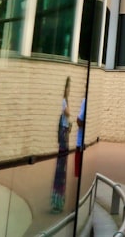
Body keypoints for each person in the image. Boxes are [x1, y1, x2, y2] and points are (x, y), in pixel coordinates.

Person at [50, 77, 71, 213]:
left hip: (65, 136)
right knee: (60, 169)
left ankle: (59, 201)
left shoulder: (65, 102)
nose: (69, 90)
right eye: (68, 87)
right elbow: (67, 113)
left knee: (62, 169)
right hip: (63, 139)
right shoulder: (64, 102)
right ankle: (57, 201)